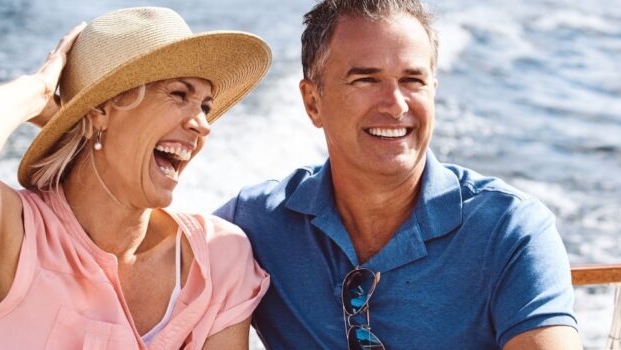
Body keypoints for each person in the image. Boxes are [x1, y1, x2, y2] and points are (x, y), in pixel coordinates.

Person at [213, 0, 582, 349]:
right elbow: (161, 249)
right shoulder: (253, 223)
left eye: (412, 80)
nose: (396, 104)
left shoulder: (511, 229)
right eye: (366, 80)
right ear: (313, 103)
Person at [0, 7, 271, 350]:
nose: (203, 124)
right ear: (101, 109)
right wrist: (38, 91)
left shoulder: (220, 256)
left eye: (205, 106)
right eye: (179, 94)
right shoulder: (14, 237)